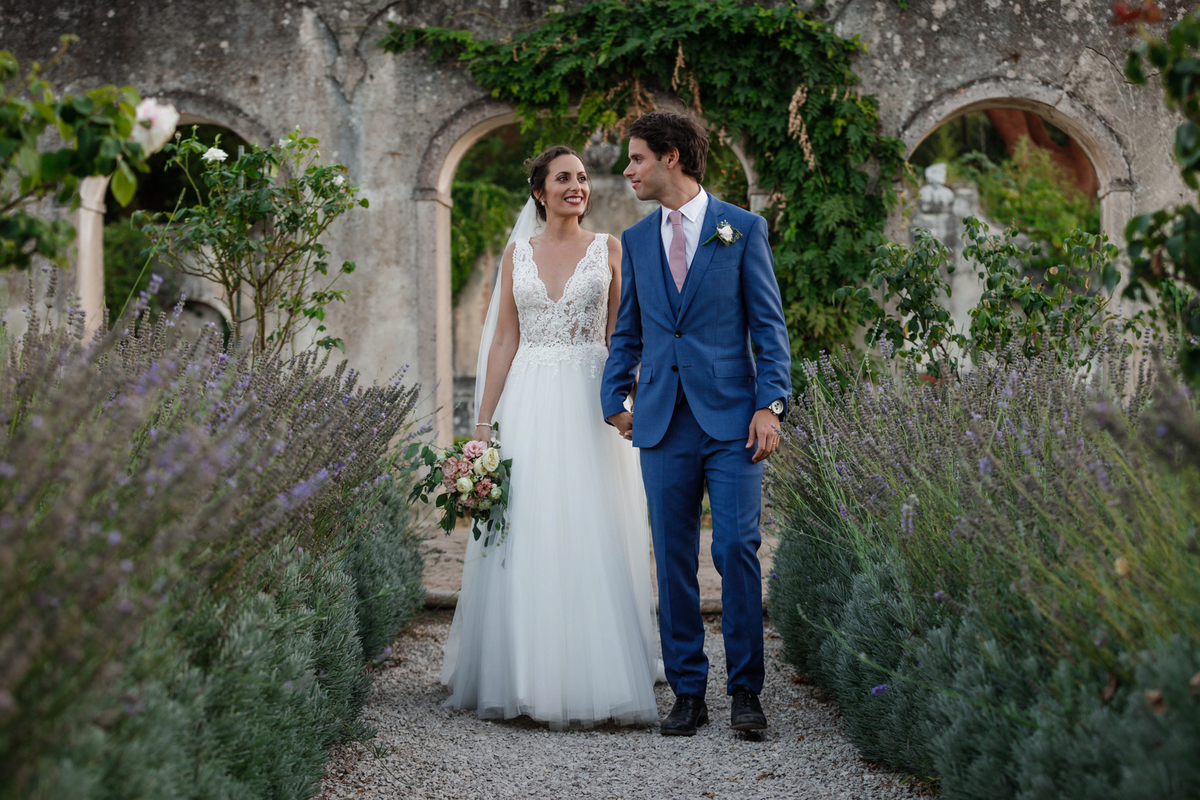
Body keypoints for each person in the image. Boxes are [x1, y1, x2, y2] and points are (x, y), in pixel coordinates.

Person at [440, 145, 660, 730]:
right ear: (539, 190)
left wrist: (628, 401)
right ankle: (525, 671)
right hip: (531, 399)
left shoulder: (609, 248)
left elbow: (622, 335)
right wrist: (482, 426)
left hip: (593, 401)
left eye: (583, 178)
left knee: (593, 525)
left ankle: (601, 671)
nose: (577, 187)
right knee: (530, 527)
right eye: (564, 178)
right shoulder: (517, 254)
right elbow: (504, 341)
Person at [601, 111, 792, 736]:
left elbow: (768, 327)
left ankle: (745, 694)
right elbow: (627, 332)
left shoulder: (743, 228)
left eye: (637, 159)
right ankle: (687, 690)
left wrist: (771, 405)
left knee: (737, 547)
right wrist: (614, 400)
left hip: (736, 421)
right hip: (660, 423)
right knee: (674, 557)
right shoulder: (633, 241)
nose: (628, 170)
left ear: (673, 157)